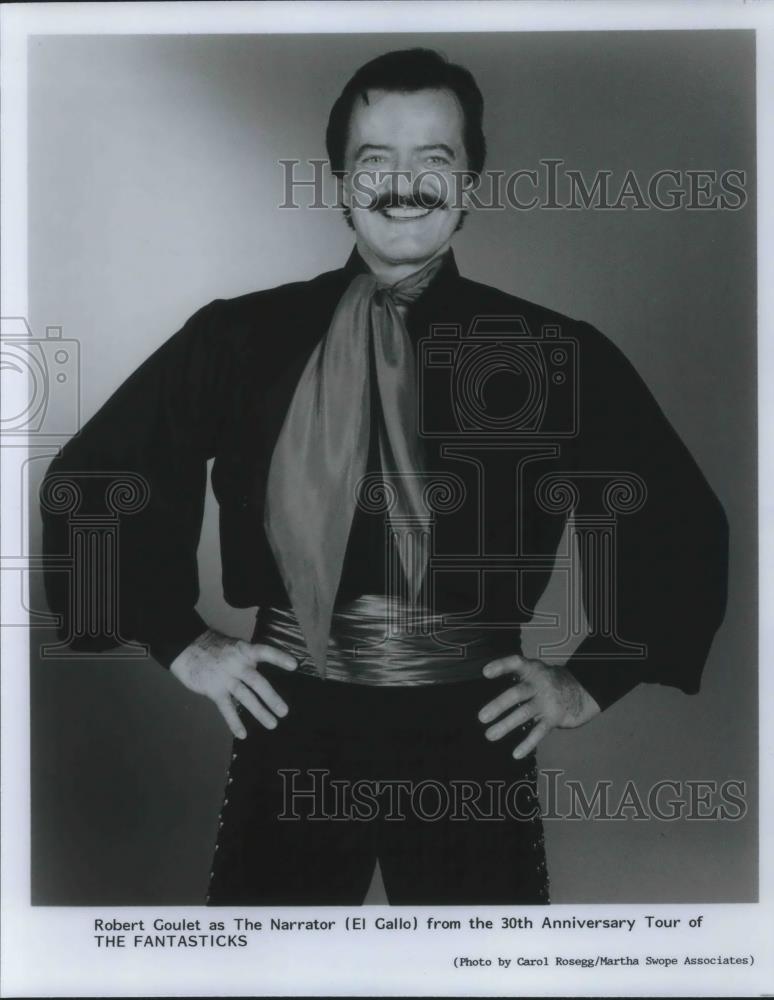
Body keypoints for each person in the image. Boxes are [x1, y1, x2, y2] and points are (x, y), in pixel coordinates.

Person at [40, 48, 729, 905]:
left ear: (471, 181)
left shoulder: (555, 354)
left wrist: (589, 681)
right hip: (288, 717)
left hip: (471, 732)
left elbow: (679, 525)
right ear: (341, 181)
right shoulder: (240, 340)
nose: (404, 185)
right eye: (377, 162)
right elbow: (97, 483)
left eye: (434, 160)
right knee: (262, 977)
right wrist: (181, 642)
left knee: (481, 978)